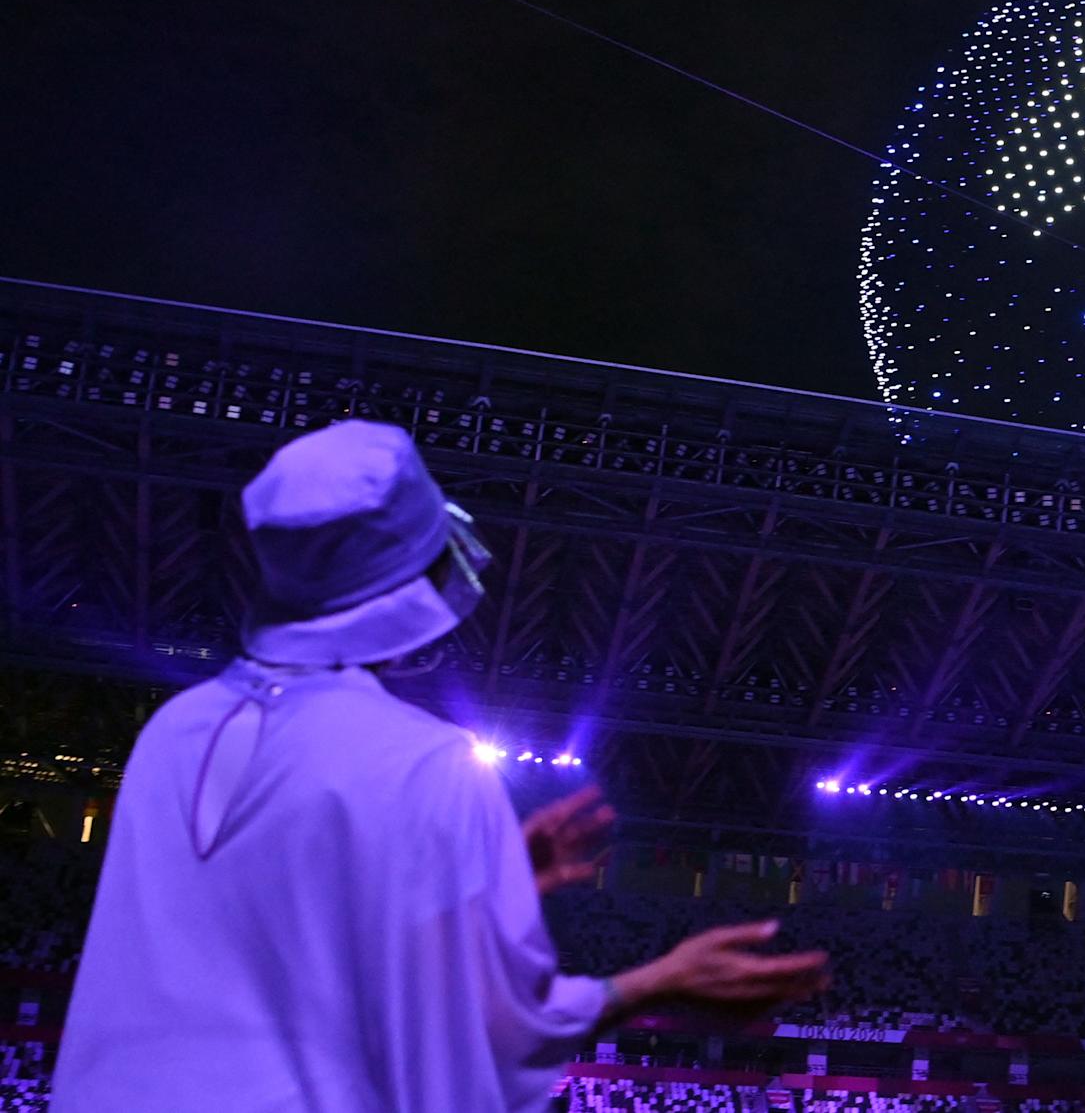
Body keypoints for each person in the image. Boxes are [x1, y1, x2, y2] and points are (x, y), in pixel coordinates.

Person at [52, 420, 828, 1112]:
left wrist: (468, 880)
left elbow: (257, 918)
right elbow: (487, 1029)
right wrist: (654, 981)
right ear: (422, 581)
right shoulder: (427, 765)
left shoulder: (172, 729)